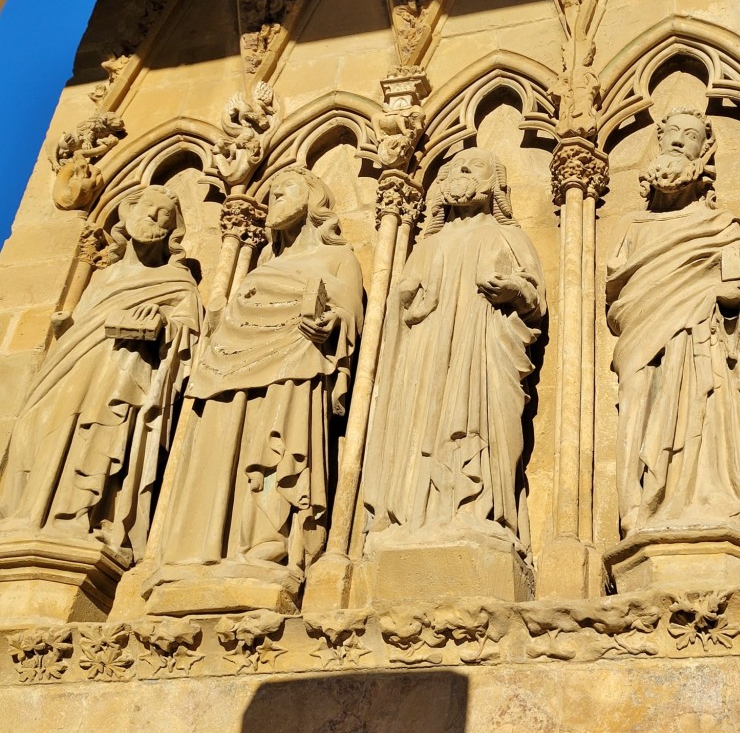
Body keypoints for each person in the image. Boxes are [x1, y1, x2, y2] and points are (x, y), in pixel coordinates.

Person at [154, 167, 363, 577]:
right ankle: (205, 547)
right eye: (271, 194)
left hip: (294, 365)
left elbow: (351, 314)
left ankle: (268, 543)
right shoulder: (261, 267)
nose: (273, 200)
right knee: (223, 446)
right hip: (229, 368)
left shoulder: (339, 258)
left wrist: (332, 321)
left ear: (312, 200)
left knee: (275, 445)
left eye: (284, 191)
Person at [0, 185, 202, 562]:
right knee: (35, 430)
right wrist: (67, 327)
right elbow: (82, 326)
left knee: (97, 434)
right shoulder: (100, 278)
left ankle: (78, 518)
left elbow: (188, 335)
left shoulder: (177, 283)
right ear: (127, 214)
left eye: (163, 214)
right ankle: (27, 514)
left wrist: (162, 324)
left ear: (172, 231)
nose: (153, 217)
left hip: (122, 372)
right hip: (67, 370)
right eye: (147, 207)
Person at [362, 148, 546, 558]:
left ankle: (478, 512)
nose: (461, 170)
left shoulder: (508, 237)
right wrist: (406, 302)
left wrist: (514, 291)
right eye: (454, 168)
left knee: (483, 421)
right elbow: (399, 310)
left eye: (474, 166)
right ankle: (416, 515)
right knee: (420, 424)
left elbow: (536, 302)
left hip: (483, 348)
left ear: (494, 184)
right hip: (427, 355)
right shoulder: (427, 245)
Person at [606, 108, 740, 538]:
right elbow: (619, 293)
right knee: (640, 411)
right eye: (672, 133)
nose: (679, 141)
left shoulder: (719, 226)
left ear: (704, 153)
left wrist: (726, 301)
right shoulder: (632, 227)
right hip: (642, 343)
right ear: (658, 143)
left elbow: (738, 291)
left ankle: (709, 501)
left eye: (691, 136)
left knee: (705, 407)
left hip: (702, 338)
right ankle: (639, 508)